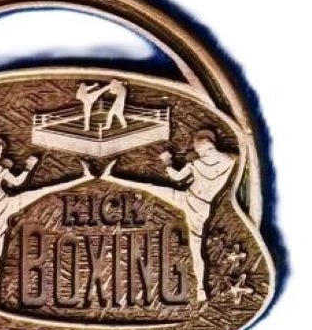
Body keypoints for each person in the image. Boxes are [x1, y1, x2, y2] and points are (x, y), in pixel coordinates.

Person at [100, 129, 234, 302]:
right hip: (193, 201)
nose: (199, 152)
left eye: (200, 149)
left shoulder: (206, 162)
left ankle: (201, 289)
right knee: (151, 188)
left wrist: (167, 160)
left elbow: (176, 176)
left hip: (195, 204)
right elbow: (180, 177)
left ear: (207, 146)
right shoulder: (227, 160)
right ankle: (111, 177)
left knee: (195, 246)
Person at [0, 138, 93, 305]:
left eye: (0, 154)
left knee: (43, 191)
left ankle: (83, 177)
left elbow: (18, 182)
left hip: (7, 203)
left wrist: (29, 167)